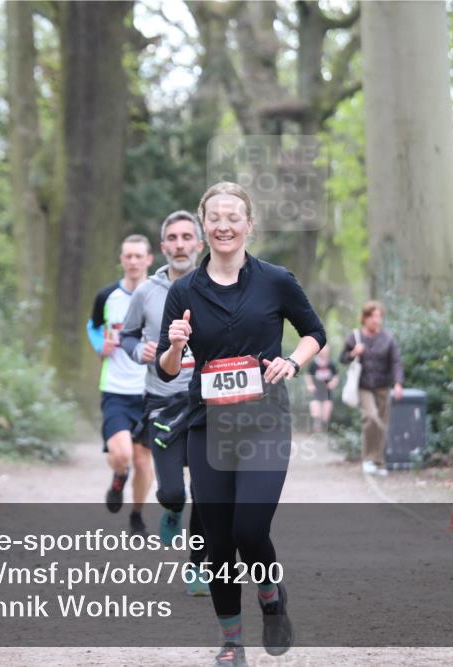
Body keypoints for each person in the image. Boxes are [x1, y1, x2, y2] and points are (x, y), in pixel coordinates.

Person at [156, 182, 326, 667]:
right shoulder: (184, 290)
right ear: (203, 223)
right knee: (217, 543)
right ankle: (232, 643)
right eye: (215, 217)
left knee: (250, 531)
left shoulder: (275, 281)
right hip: (207, 427)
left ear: (249, 224)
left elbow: (315, 332)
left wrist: (292, 363)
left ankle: (271, 595)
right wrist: (174, 343)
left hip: (264, 421)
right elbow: (166, 369)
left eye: (234, 217)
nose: (224, 225)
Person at [119, 210, 209, 596]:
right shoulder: (147, 292)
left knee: (206, 491)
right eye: (172, 238)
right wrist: (139, 350)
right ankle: (172, 509)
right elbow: (127, 335)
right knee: (173, 492)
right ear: (162, 247)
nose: (180, 245)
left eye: (187, 237)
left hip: (206, 400)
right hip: (162, 401)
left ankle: (197, 567)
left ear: (199, 244)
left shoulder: (216, 286)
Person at [86, 234, 155, 536]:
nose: (134, 261)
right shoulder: (106, 296)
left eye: (139, 256)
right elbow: (93, 326)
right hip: (115, 388)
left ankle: (137, 515)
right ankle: (118, 477)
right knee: (123, 455)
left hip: (151, 390)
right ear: (121, 260)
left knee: (143, 461)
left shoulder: (160, 294)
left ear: (149, 259)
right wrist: (101, 344)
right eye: (128, 256)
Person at [339, 301, 404, 476]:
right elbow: (342, 358)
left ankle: (378, 462)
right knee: (371, 417)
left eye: (379, 316)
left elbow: (396, 362)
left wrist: (398, 383)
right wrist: (353, 353)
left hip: (383, 385)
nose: (377, 320)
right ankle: (368, 459)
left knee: (382, 423)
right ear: (365, 318)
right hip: (364, 385)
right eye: (373, 316)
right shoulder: (355, 337)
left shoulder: (388, 338)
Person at [303, 345, 339, 433]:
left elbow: (336, 376)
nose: (323, 353)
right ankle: (316, 428)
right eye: (322, 351)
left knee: (326, 413)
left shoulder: (331, 363)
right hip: (316, 391)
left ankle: (324, 430)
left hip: (327, 392)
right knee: (316, 411)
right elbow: (307, 375)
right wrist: (310, 385)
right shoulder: (314, 364)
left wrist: (333, 383)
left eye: (325, 351)